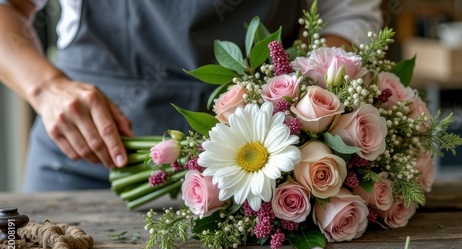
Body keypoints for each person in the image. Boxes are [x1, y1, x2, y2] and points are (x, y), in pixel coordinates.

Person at [0, 0, 382, 192]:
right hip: (85, 158)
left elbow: (346, 16)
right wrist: (47, 88)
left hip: (262, 168)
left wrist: (299, 106)